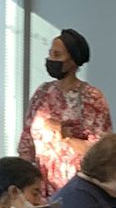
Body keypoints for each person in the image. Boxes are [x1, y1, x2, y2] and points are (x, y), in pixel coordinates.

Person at [18, 30, 111, 193]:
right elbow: (27, 140)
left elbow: (101, 149)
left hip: (76, 185)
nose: (51, 59)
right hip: (41, 185)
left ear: (73, 60)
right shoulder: (42, 92)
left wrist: (64, 134)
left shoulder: (91, 97)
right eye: (50, 54)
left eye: (57, 55)